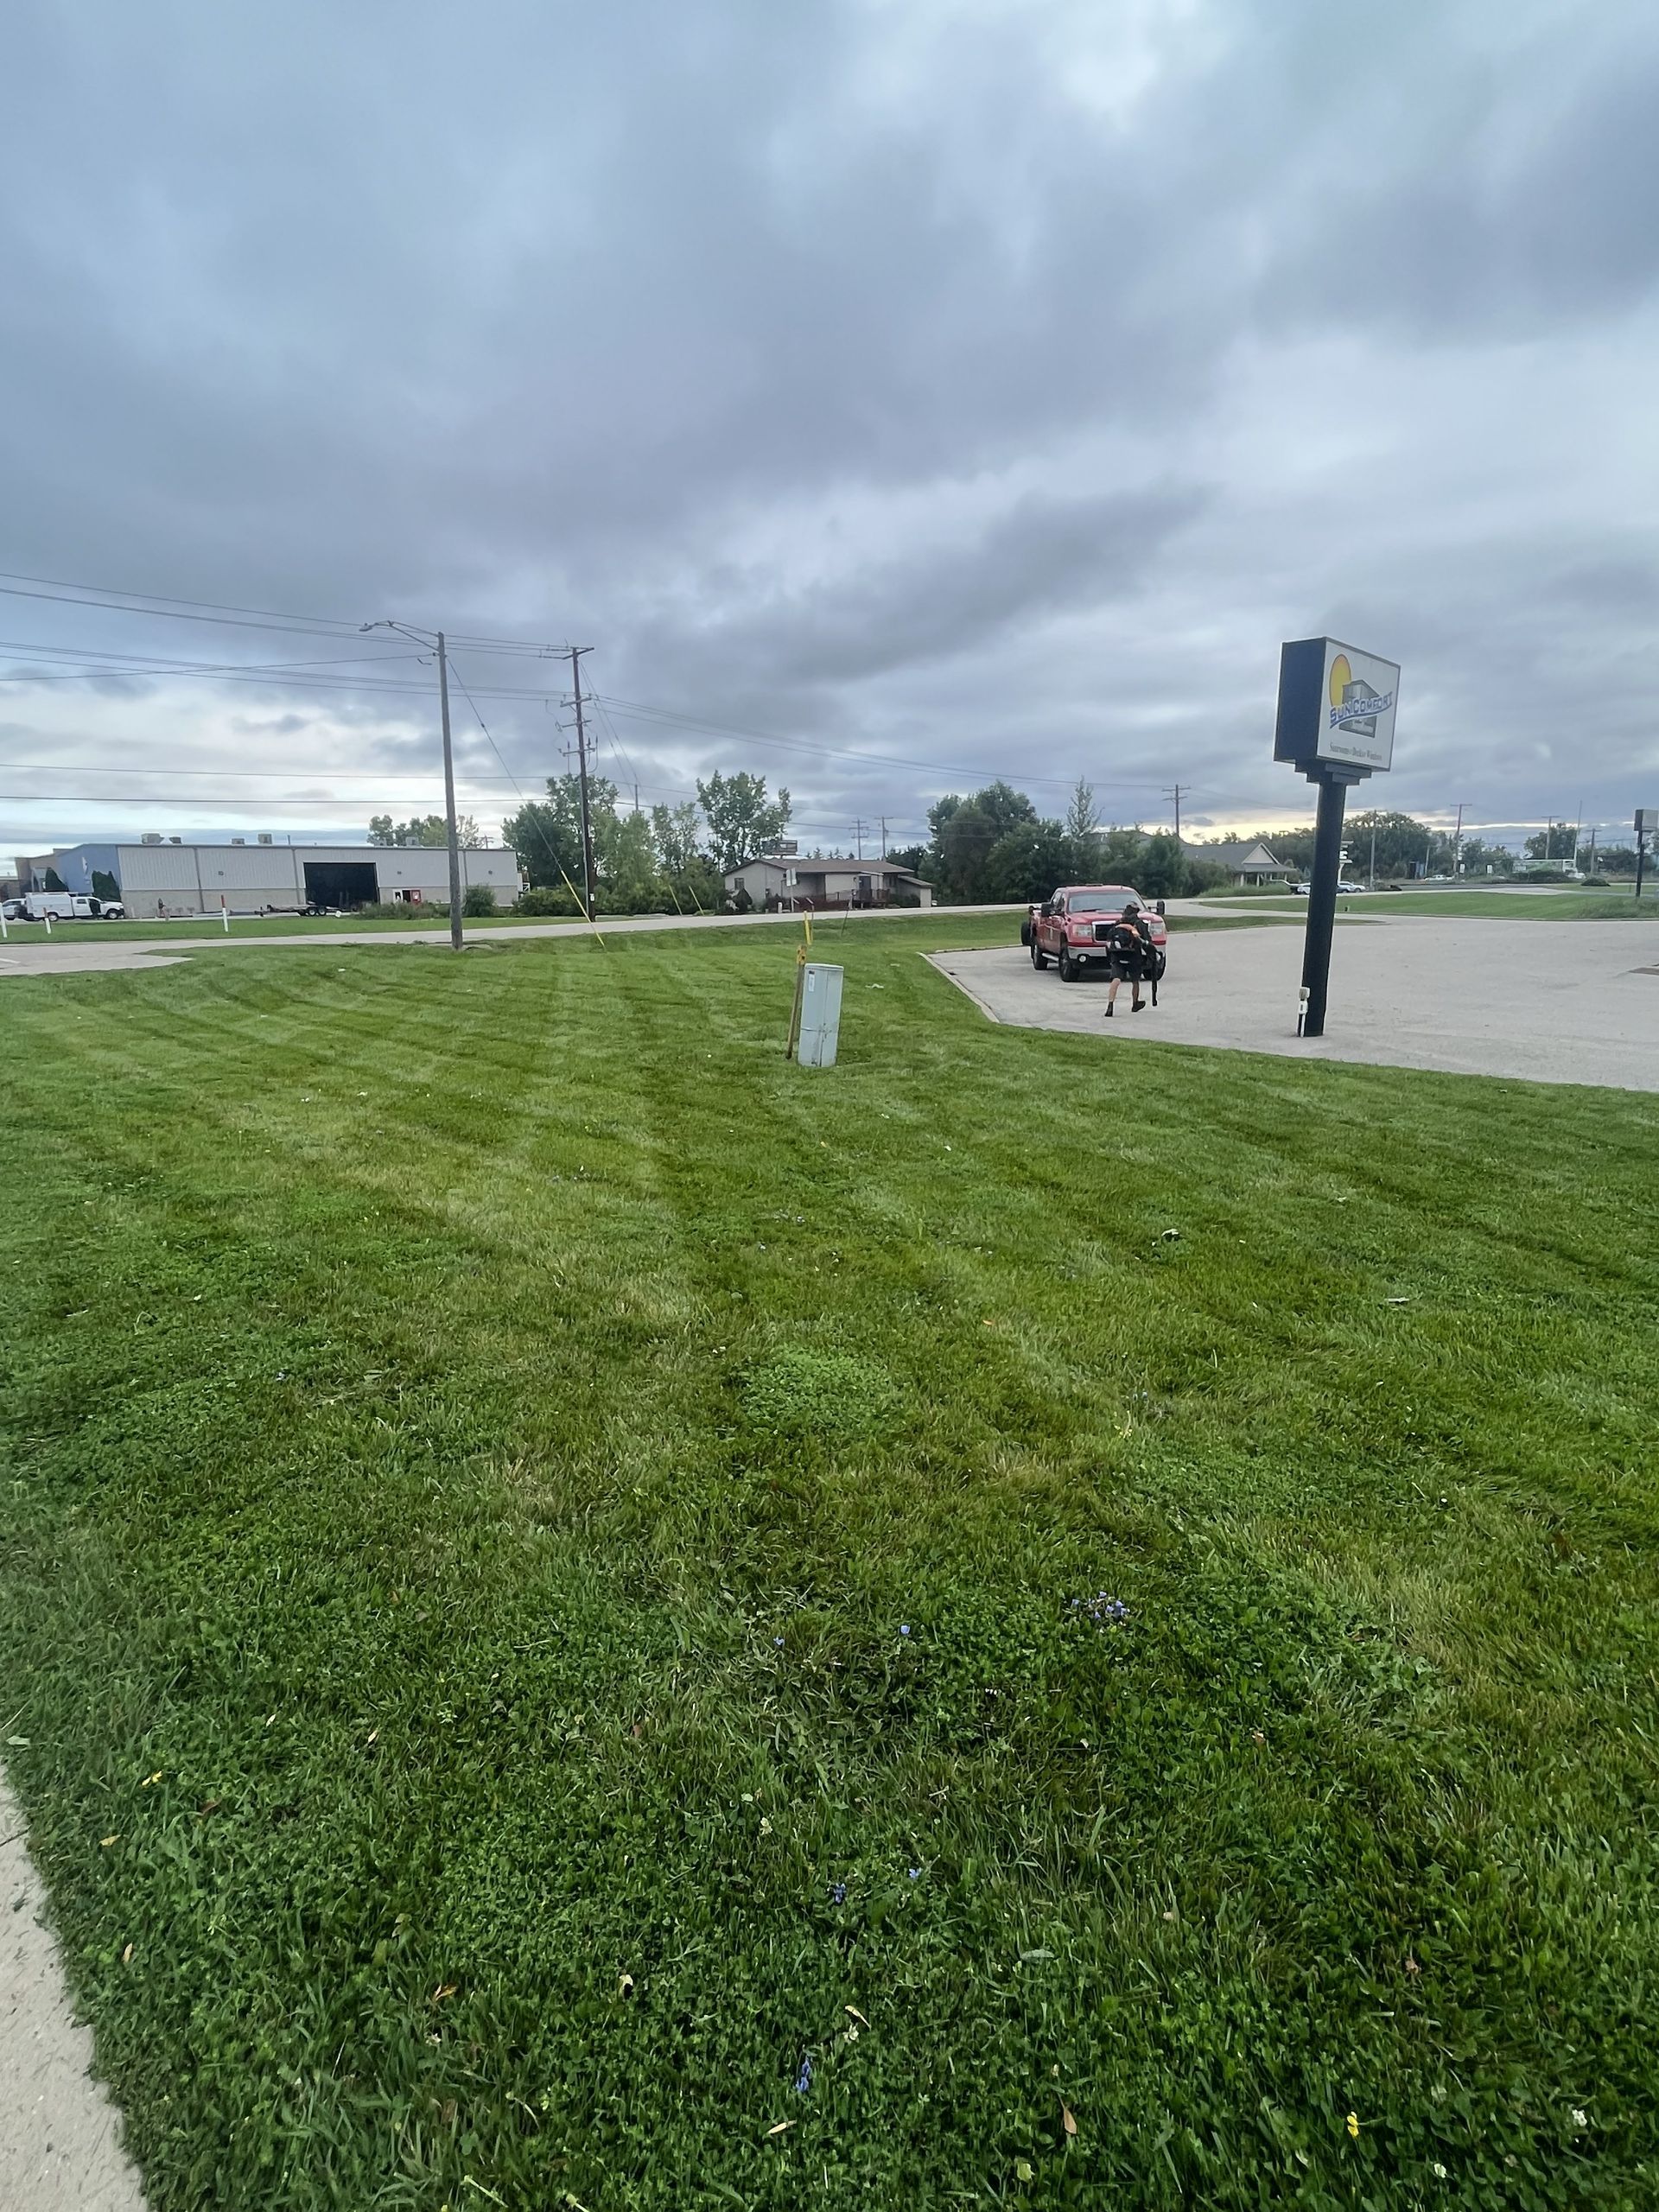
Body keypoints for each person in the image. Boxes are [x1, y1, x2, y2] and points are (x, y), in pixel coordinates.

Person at [1104, 900, 1150, 1016]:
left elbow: (1109, 940)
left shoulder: (1118, 924)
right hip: (1133, 956)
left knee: (1116, 979)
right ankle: (1135, 1003)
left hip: (1117, 955)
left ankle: (1110, 1005)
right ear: (1136, 913)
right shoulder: (1140, 924)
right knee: (1135, 980)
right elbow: (1147, 942)